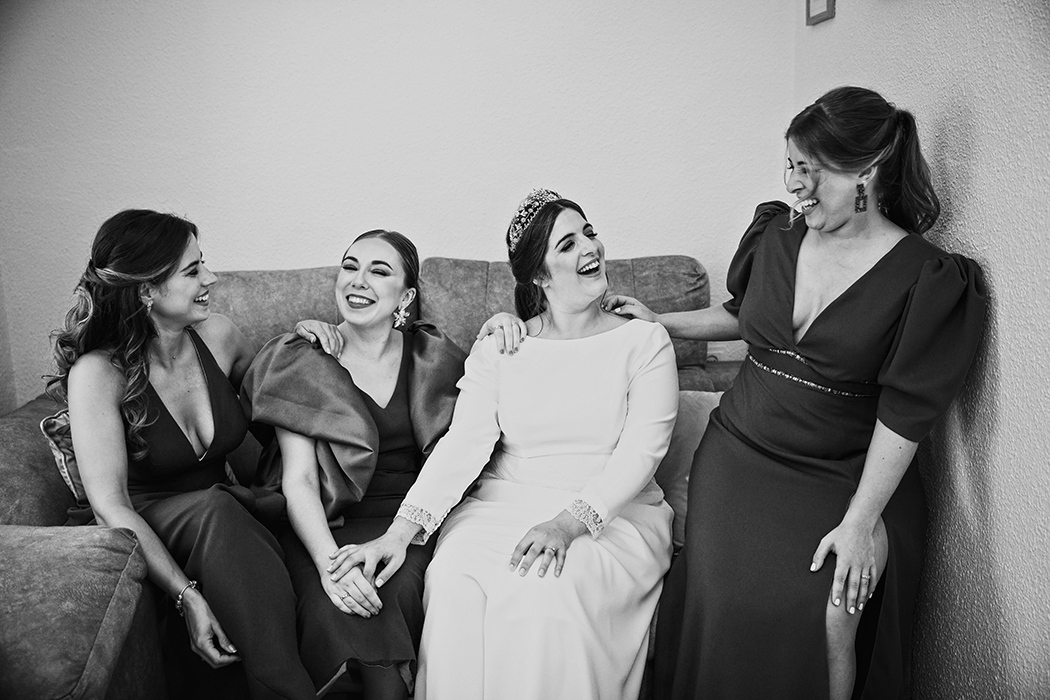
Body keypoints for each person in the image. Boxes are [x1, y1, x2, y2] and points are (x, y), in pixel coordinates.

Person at [605, 87, 986, 699]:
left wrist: (860, 521)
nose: (794, 185)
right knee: (724, 598)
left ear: (866, 171)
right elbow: (745, 315)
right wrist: (661, 321)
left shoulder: (926, 276)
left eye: (811, 170)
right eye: (790, 166)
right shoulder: (778, 235)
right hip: (740, 453)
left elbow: (907, 412)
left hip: (844, 472)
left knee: (822, 610)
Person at [333, 189, 679, 699]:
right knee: (453, 578)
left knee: (542, 591)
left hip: (610, 513)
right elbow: (464, 444)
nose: (590, 247)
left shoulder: (644, 341)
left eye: (589, 232)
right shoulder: (502, 346)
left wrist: (567, 525)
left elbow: (643, 451)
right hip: (503, 503)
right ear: (539, 275)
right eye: (568, 243)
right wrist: (399, 534)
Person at [49, 210, 316, 700]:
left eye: (203, 264)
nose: (210, 278)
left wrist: (309, 345)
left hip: (225, 514)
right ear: (146, 291)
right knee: (219, 509)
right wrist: (186, 596)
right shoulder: (97, 374)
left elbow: (281, 405)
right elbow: (110, 505)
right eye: (193, 271)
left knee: (234, 512)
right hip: (144, 519)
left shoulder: (221, 337)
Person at [239, 230, 466, 699]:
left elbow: (473, 440)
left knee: (390, 593)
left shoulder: (433, 355)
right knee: (337, 603)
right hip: (326, 522)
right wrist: (330, 565)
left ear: (406, 298)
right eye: (350, 266)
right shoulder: (300, 360)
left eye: (379, 272)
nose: (358, 280)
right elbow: (299, 480)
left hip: (407, 524)